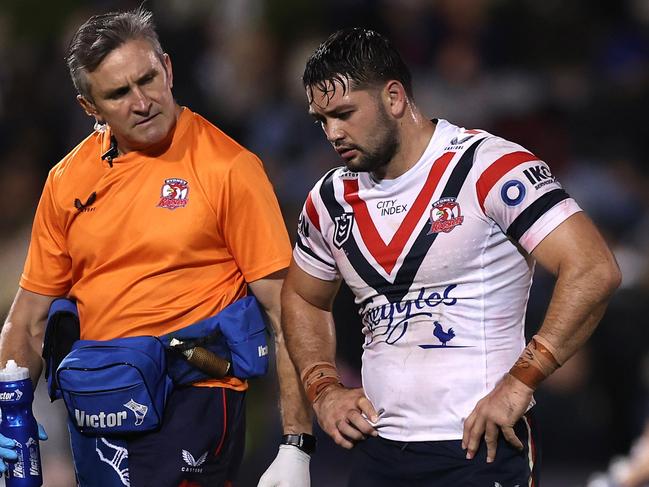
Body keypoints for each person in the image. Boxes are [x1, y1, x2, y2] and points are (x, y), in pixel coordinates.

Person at [280, 27, 622, 486]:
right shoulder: (329, 199)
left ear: (394, 98)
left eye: (343, 113)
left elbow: (593, 268)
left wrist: (522, 381)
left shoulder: (489, 167)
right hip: (376, 451)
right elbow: (302, 298)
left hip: (481, 448)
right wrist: (323, 389)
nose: (333, 133)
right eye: (321, 120)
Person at [0, 8, 312, 487]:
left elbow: (285, 309)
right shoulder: (66, 181)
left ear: (167, 67)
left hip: (194, 404)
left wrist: (296, 445)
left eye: (148, 79)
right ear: (90, 108)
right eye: (119, 93)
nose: (142, 101)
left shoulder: (228, 168)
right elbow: (26, 320)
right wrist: (9, 410)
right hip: (98, 413)